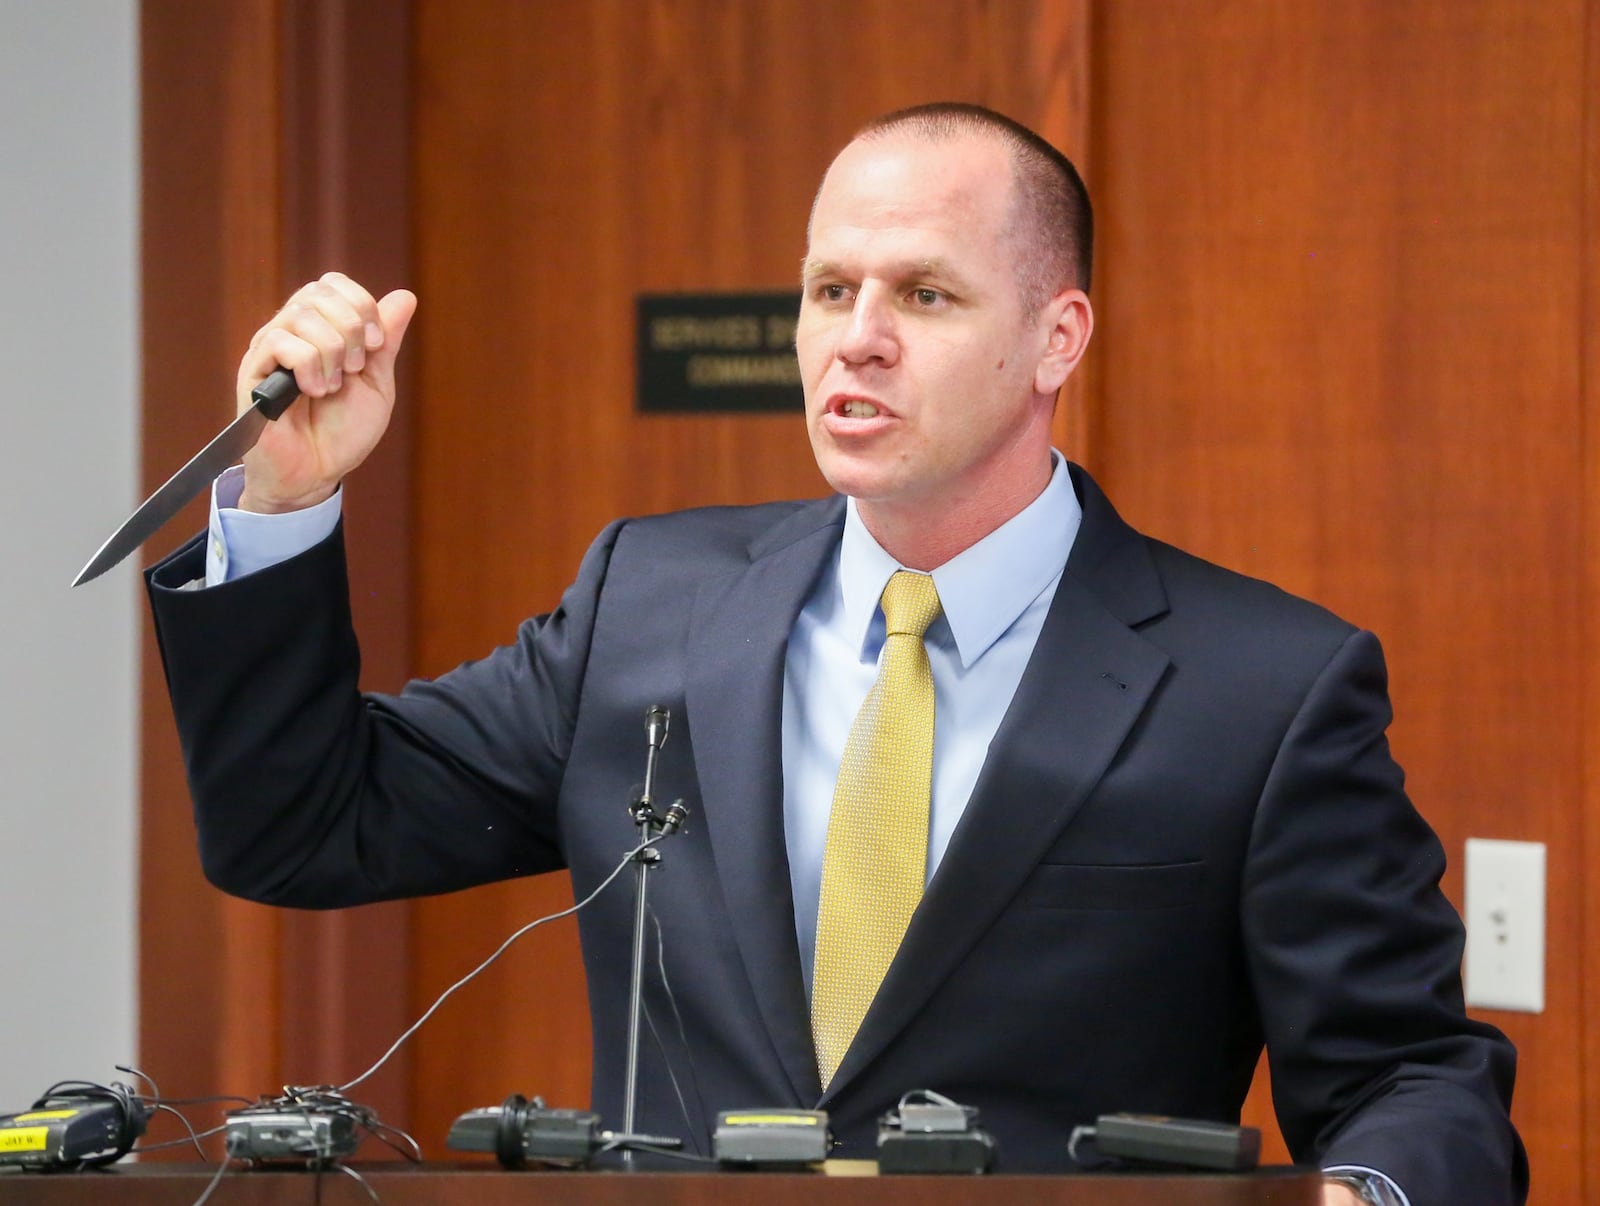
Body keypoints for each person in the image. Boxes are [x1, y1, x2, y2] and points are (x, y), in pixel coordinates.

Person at [146, 104, 1526, 1205]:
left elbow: (1412, 1077)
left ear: (1058, 337)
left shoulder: (1266, 686)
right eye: (827, 288)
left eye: (923, 296)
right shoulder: (649, 601)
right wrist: (283, 500)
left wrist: (1369, 1190)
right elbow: (303, 827)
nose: (854, 338)